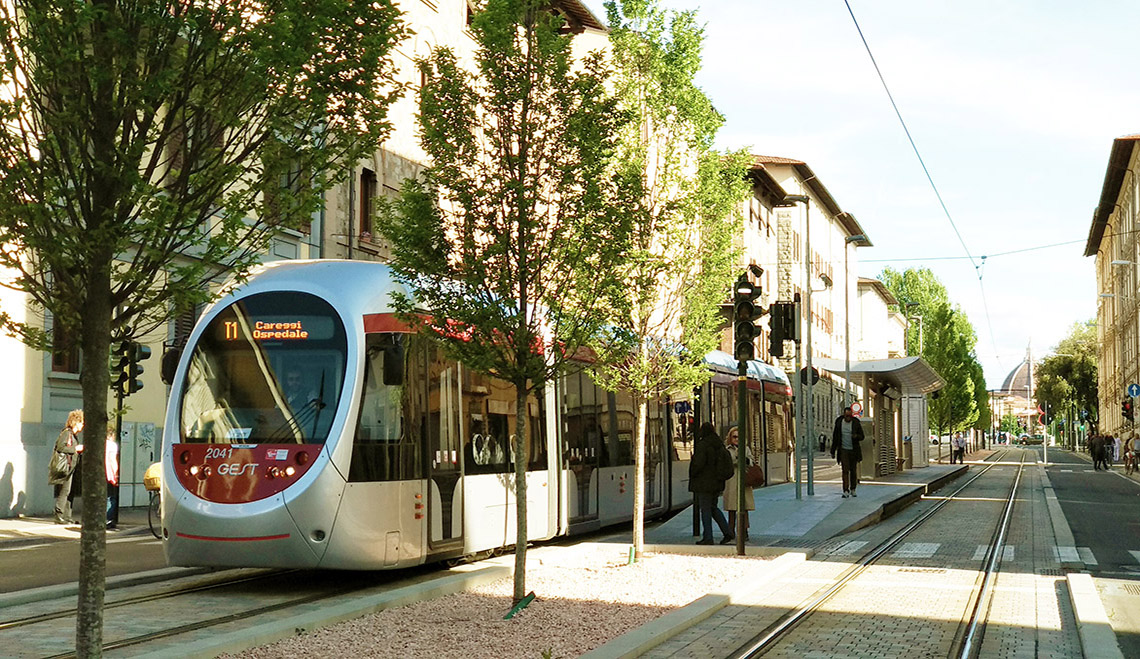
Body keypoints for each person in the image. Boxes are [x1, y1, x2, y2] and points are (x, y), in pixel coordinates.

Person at [689, 422, 733, 545]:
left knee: (705, 510)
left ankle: (708, 537)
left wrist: (692, 472)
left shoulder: (703, 445)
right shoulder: (719, 445)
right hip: (717, 483)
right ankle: (728, 532)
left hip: (704, 483)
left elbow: (698, 464)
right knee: (713, 508)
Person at [48, 409, 84, 524]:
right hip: (66, 468)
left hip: (71, 467)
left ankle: (67, 516)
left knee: (70, 491)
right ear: (76, 422)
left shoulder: (73, 436)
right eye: (81, 422)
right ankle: (59, 515)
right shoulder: (66, 433)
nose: (83, 425)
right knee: (65, 491)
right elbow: (60, 447)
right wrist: (75, 449)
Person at [722, 426, 755, 542]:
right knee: (731, 509)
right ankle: (730, 531)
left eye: (738, 437)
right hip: (731, 482)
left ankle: (744, 531)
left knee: (744, 508)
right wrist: (738, 457)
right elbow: (728, 462)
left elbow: (751, 461)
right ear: (730, 438)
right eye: (734, 437)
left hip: (744, 481)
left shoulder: (745, 449)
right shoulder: (727, 449)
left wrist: (745, 459)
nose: (736, 439)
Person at [831, 406, 864, 498]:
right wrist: (833, 451)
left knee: (853, 470)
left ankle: (853, 489)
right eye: (846, 416)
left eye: (850, 416)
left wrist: (856, 436)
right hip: (843, 450)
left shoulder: (856, 423)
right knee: (845, 470)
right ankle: (845, 490)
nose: (848, 418)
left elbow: (862, 436)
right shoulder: (839, 423)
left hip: (854, 450)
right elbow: (835, 437)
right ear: (844, 415)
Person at [105, 428, 119, 529]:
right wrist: (115, 473)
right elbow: (113, 460)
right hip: (108, 474)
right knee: (111, 498)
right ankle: (108, 519)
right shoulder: (112, 445)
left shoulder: (99, 443)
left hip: (99, 473)